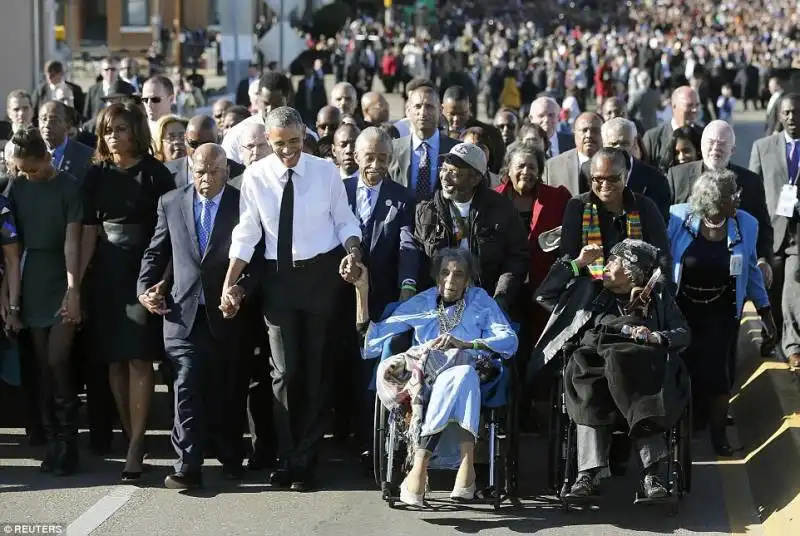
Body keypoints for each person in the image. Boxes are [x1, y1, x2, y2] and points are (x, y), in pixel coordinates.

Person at [224, 106, 363, 491]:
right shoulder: (255, 176)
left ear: (304, 135)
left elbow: (345, 220)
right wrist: (230, 280)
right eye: (280, 145)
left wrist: (353, 251)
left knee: (315, 371)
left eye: (295, 143)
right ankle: (287, 455)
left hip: (321, 278)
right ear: (268, 141)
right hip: (278, 281)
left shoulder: (325, 171)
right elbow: (247, 232)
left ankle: (305, 460)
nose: (288, 152)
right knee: (284, 373)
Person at [137, 144, 259, 489]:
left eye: (213, 172)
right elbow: (156, 251)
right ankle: (186, 466)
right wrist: (145, 288)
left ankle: (230, 455)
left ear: (227, 171)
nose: (205, 179)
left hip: (227, 314)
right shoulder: (171, 202)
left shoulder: (242, 204)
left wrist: (241, 288)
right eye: (199, 171)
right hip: (181, 313)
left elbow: (259, 259)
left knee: (227, 389)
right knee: (186, 384)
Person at [359, 247, 518, 507]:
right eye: (444, 273)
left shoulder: (480, 301)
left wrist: (466, 344)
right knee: (460, 375)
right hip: (428, 375)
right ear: (436, 276)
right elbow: (376, 337)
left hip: (473, 369)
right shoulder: (423, 302)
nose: (450, 281)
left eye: (458, 275)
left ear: (468, 280)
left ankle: (420, 463)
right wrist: (361, 291)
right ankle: (468, 470)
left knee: (463, 371)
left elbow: (508, 339)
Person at [534, 239, 690, 499]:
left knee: (643, 379)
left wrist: (655, 336)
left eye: (613, 262)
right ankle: (587, 473)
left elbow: (683, 333)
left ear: (631, 271)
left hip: (640, 371)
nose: (604, 266)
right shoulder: (588, 291)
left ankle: (651, 475)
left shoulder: (658, 299)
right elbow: (544, 295)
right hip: (593, 367)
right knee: (583, 380)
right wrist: (577, 264)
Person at [80, 101, 175, 481]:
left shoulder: (157, 175)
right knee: (114, 360)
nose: (112, 136)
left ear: (136, 131)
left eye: (120, 128)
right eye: (107, 130)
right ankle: (129, 430)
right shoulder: (95, 175)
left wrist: (163, 280)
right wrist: (77, 284)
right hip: (105, 273)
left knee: (138, 358)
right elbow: (88, 231)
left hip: (145, 270)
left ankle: (136, 443)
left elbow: (171, 234)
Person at [668, 170, 775, 454]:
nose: (738, 198)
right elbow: (664, 259)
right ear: (712, 200)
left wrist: (764, 311)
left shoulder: (746, 224)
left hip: (721, 309)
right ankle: (680, 430)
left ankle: (719, 437)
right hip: (683, 307)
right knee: (682, 369)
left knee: (718, 373)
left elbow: (750, 270)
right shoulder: (679, 218)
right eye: (732, 195)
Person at [7, 126, 81, 477]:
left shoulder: (68, 186)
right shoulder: (18, 187)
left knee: (57, 359)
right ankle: (53, 441)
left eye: (31, 168)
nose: (27, 174)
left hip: (61, 275)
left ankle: (68, 443)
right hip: (30, 277)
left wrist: (72, 288)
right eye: (21, 169)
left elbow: (73, 241)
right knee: (41, 366)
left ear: (45, 157)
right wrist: (13, 302)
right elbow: (11, 247)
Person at [413, 143, 530, 313]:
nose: (444, 177)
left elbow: (517, 258)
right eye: (443, 169)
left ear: (475, 179)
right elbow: (418, 259)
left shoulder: (502, 210)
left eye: (453, 173)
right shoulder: (427, 211)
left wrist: (500, 299)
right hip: (437, 303)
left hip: (487, 300)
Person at [668, 121, 774, 283]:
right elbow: (665, 223)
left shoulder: (750, 181)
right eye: (711, 142)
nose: (716, 148)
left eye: (722, 143)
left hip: (731, 273)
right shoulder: (677, 176)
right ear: (701, 146)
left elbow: (763, 225)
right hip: (686, 270)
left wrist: (763, 259)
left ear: (733, 150)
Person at [559, 148, 671, 279]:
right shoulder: (577, 207)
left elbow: (662, 259)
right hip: (589, 291)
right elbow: (567, 262)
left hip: (635, 292)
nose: (605, 185)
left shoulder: (644, 207)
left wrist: (652, 294)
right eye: (598, 178)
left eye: (613, 178)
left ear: (625, 176)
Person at [749, 92, 800, 367]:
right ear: (780, 115)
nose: (793, 118)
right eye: (788, 112)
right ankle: (773, 335)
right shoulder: (763, 146)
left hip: (798, 234)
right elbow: (752, 189)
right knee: (773, 289)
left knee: (794, 287)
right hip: (772, 229)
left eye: (797, 112)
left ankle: (792, 344)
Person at [388, 81, 459, 201]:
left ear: (441, 110)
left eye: (429, 106)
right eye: (418, 106)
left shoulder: (456, 150)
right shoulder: (393, 149)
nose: (423, 112)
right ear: (408, 111)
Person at [601, 117, 672, 220]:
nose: (619, 148)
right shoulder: (588, 172)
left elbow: (660, 224)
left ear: (634, 144)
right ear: (603, 144)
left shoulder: (655, 179)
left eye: (624, 143)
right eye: (613, 144)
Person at [166, 116, 245, 188]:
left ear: (219, 140)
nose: (200, 150)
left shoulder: (240, 174)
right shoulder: (167, 172)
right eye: (194, 144)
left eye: (207, 144)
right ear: (185, 140)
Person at [544, 112, 603, 195]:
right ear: (574, 133)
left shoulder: (615, 163)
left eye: (595, 130)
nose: (589, 135)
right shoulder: (552, 167)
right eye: (584, 130)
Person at [642, 86, 700, 169]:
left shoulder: (703, 135)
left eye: (697, 105)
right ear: (674, 107)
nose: (695, 110)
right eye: (689, 105)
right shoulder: (652, 138)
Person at [38, 101, 94, 184]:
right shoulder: (31, 152)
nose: (47, 125)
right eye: (43, 119)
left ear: (68, 125)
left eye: (54, 120)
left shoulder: (87, 155)